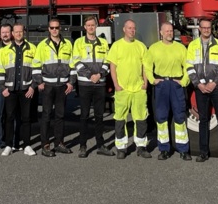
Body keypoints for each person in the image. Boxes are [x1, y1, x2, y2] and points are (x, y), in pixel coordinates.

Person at [186, 17, 218, 163]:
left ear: (211, 29)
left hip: (216, 88)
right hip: (200, 88)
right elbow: (189, 66)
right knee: (203, 120)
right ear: (199, 29)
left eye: (208, 28)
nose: (206, 30)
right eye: (203, 27)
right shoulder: (192, 46)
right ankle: (203, 152)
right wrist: (198, 84)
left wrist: (214, 83)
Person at [146, 22, 191, 161]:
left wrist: (184, 81)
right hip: (161, 85)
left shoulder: (180, 48)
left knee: (179, 117)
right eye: (166, 31)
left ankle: (183, 149)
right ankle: (164, 149)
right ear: (161, 32)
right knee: (161, 118)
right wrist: (153, 80)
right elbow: (147, 66)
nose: (169, 33)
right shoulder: (153, 48)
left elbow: (188, 66)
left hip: (176, 84)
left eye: (171, 31)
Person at [107, 19, 151, 159]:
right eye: (129, 28)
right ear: (124, 30)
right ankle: (121, 147)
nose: (132, 30)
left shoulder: (141, 46)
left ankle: (141, 146)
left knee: (141, 118)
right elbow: (112, 67)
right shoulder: (117, 46)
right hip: (123, 89)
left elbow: (145, 66)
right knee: (120, 119)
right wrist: (116, 85)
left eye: (134, 28)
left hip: (138, 89)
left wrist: (145, 83)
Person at [71, 16, 113, 157]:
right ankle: (83, 146)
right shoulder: (78, 42)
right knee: (84, 116)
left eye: (92, 25)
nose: (90, 27)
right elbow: (76, 61)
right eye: (88, 25)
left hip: (99, 84)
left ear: (96, 26)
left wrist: (99, 75)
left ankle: (100, 145)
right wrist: (90, 76)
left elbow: (108, 61)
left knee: (99, 115)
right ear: (84, 27)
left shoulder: (103, 43)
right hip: (85, 83)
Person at [33, 17, 73, 156]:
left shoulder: (68, 44)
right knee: (46, 115)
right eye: (52, 28)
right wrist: (40, 82)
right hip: (48, 85)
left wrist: (71, 82)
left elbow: (72, 65)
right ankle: (45, 145)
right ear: (48, 29)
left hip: (62, 85)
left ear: (60, 28)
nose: (54, 30)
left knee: (60, 116)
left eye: (57, 27)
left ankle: (59, 143)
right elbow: (36, 65)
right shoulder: (42, 45)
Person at [0, 23, 37, 156]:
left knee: (26, 118)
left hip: (27, 89)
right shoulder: (5, 50)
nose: (18, 34)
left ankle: (27, 145)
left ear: (24, 33)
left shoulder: (32, 48)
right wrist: (3, 87)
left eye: (20, 31)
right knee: (9, 118)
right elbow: (0, 70)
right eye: (16, 32)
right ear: (12, 34)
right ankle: (9, 145)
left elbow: (37, 69)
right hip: (10, 90)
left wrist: (33, 87)